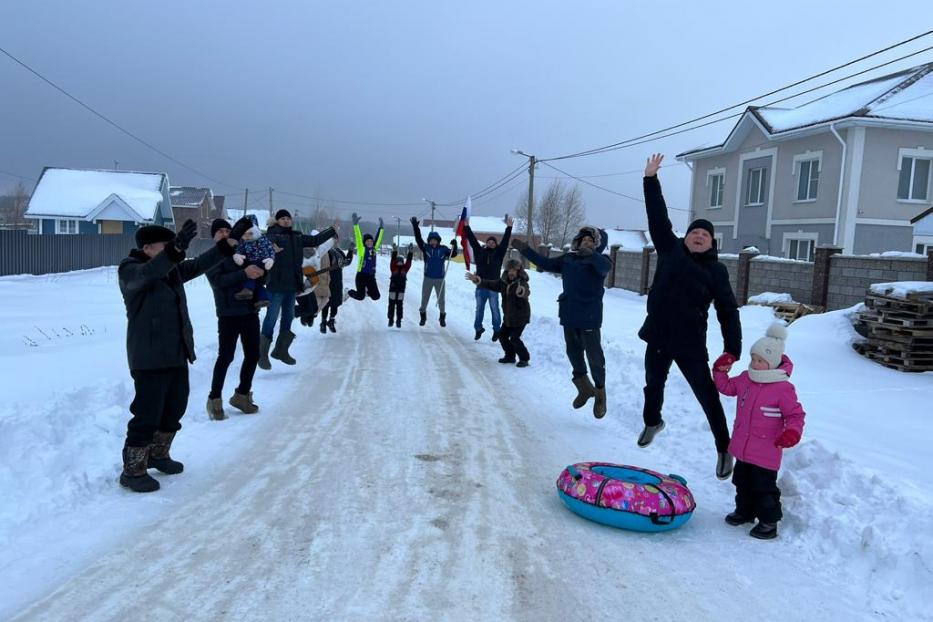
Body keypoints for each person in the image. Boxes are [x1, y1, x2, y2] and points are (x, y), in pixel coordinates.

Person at [117, 216, 250, 492]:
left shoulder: (172, 270)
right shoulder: (130, 270)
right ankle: (132, 470)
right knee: (146, 412)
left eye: (171, 246)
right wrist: (174, 250)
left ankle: (158, 454)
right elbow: (149, 274)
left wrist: (230, 242)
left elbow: (201, 264)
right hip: (149, 355)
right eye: (164, 246)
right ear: (148, 248)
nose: (170, 251)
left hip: (176, 351)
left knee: (175, 406)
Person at [637, 153, 742, 481]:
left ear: (712, 243)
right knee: (653, 383)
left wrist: (733, 349)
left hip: (690, 342)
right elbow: (658, 217)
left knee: (707, 396)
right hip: (657, 334)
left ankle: (724, 448)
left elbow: (727, 310)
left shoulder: (716, 270)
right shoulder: (669, 249)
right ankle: (653, 422)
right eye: (695, 232)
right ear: (685, 236)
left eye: (705, 235)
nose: (699, 236)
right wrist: (651, 180)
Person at [713, 324, 805, 540]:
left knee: (764, 487)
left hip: (766, 450)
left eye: (760, 360)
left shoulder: (782, 388)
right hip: (743, 448)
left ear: (772, 363)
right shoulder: (746, 378)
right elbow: (727, 388)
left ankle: (768, 521)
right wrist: (719, 371)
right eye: (753, 358)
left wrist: (792, 432)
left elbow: (795, 415)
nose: (755, 363)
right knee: (742, 482)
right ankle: (745, 512)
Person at [512, 226, 610, 417]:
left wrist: (591, 254)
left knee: (594, 357)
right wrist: (525, 250)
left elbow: (605, 268)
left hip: (590, 316)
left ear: (597, 245)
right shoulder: (569, 259)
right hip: (569, 314)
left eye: (591, 241)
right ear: (578, 241)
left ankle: (600, 392)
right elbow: (545, 263)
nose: (586, 243)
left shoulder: (601, 261)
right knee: (573, 353)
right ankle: (584, 387)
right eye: (583, 240)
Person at [261, 209, 336, 369]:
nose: (286, 221)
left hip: (292, 287)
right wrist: (271, 248)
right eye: (283, 218)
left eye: (288, 218)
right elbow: (264, 246)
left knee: (288, 318)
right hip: (276, 285)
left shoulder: (296, 237)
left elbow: (315, 240)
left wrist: (331, 230)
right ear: (277, 221)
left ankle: (281, 350)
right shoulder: (271, 236)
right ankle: (262, 354)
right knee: (271, 318)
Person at [205, 219, 264, 421]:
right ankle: (214, 399)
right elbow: (218, 281)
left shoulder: (243, 250)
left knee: (253, 354)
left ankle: (242, 395)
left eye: (227, 230)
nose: (224, 233)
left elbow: (257, 274)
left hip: (249, 311)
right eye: (219, 231)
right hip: (228, 313)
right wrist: (244, 273)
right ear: (214, 236)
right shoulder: (212, 256)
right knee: (226, 356)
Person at [465, 258, 530, 367]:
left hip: (520, 316)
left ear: (518, 271)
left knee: (514, 338)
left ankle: (524, 359)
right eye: (509, 270)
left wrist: (522, 291)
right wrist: (478, 280)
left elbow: (526, 291)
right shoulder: (503, 282)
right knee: (502, 335)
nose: (511, 272)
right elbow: (491, 284)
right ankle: (510, 356)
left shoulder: (521, 282)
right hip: (508, 316)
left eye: (513, 270)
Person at [464, 217, 512, 341]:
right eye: (489, 242)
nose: (491, 243)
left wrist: (509, 228)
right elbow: (473, 240)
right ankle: (478, 329)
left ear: (496, 244)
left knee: (495, 309)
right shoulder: (480, 251)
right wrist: (466, 227)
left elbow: (506, 241)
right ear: (486, 243)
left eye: (493, 242)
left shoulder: (499, 253)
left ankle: (497, 330)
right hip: (480, 286)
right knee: (479, 309)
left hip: (494, 287)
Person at [411, 216, 458, 327]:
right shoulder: (426, 248)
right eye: (431, 239)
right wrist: (415, 226)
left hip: (440, 279)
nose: (433, 241)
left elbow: (454, 254)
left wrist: (455, 246)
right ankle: (423, 316)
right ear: (429, 240)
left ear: (438, 240)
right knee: (424, 299)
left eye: (435, 239)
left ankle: (442, 317)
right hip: (428, 278)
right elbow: (418, 238)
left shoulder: (443, 249)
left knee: (441, 300)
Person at [231, 214, 274, 307]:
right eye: (245, 234)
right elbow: (240, 249)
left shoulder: (263, 239)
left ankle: (248, 289)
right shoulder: (243, 242)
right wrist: (238, 256)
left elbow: (270, 249)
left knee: (251, 274)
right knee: (258, 283)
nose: (247, 237)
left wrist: (270, 259)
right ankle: (263, 299)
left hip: (261, 261)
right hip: (250, 261)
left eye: (250, 234)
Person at [347, 213, 385, 301]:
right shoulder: (362, 249)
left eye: (371, 241)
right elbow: (358, 237)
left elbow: (378, 238)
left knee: (376, 296)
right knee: (360, 297)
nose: (370, 242)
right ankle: (348, 292)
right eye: (368, 241)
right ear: (364, 242)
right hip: (361, 276)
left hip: (371, 277)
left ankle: (367, 291)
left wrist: (381, 228)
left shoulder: (374, 249)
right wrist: (356, 225)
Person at [319, 237, 352, 334]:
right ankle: (323, 322)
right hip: (326, 280)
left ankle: (331, 321)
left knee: (335, 303)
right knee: (326, 303)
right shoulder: (323, 252)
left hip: (337, 281)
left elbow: (347, 262)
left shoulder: (338, 251)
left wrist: (350, 251)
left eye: (335, 239)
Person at [388, 244, 414, 328]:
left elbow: (409, 262)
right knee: (391, 305)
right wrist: (394, 251)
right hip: (392, 289)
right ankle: (390, 319)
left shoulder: (405, 269)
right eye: (398, 261)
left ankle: (399, 320)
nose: (399, 263)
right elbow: (392, 260)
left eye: (401, 262)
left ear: (403, 262)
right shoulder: (393, 268)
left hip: (401, 290)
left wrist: (410, 252)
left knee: (399, 305)